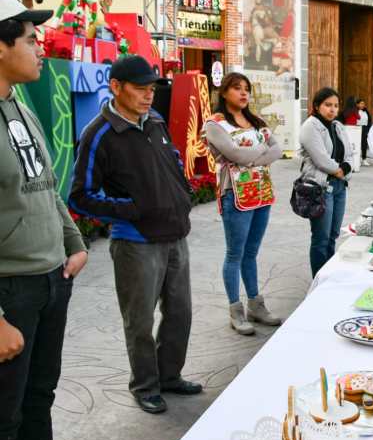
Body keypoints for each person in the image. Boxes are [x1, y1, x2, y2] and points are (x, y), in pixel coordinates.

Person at [0, 0, 108, 440]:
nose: (39, 48)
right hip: (8, 291)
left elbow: (45, 185)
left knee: (38, 396)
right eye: (27, 39)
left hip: (49, 278)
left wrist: (73, 241)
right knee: (3, 416)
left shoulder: (19, 103)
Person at [70, 55, 201, 415]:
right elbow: (80, 196)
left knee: (180, 313)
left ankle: (170, 376)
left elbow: (173, 162)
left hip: (175, 235)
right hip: (135, 242)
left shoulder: (155, 122)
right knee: (140, 321)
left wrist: (183, 195)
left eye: (151, 89)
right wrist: (132, 209)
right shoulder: (99, 133)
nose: (148, 96)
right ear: (116, 87)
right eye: (140, 89)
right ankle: (145, 385)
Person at [204, 72, 284, 336]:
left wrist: (249, 159)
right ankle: (235, 310)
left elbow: (277, 149)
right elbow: (233, 153)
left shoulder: (256, 121)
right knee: (234, 254)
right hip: (234, 194)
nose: (243, 93)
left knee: (251, 253)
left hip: (261, 192)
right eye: (237, 88)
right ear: (224, 92)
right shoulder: (215, 124)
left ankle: (256, 305)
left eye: (246, 89)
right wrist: (258, 154)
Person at [298, 87, 354, 277]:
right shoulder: (310, 126)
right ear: (317, 106)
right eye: (328, 105)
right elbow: (321, 158)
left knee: (333, 236)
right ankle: (318, 281)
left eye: (336, 106)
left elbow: (350, 153)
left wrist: (345, 169)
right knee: (321, 238)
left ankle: (328, 277)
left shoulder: (337, 126)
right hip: (320, 188)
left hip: (339, 187)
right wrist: (340, 170)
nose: (332, 109)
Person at [357, 98, 371, 166]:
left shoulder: (366, 111)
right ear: (357, 104)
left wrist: (368, 129)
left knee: (364, 144)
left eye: (363, 104)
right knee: (357, 144)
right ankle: (357, 159)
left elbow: (369, 120)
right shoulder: (355, 111)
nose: (363, 105)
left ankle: (364, 159)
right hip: (356, 128)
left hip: (364, 128)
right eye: (361, 103)